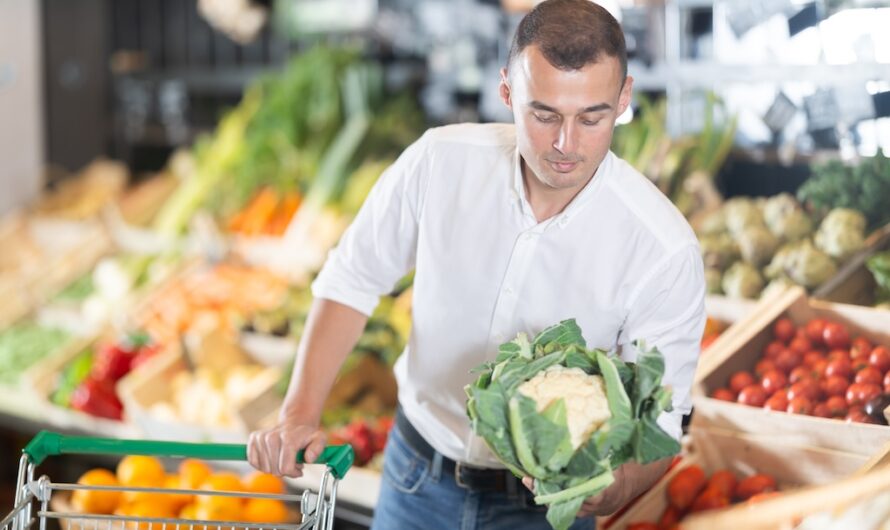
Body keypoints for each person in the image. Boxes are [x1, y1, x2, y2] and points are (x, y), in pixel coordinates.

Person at [247, 0, 706, 528]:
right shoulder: (438, 162)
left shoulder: (663, 248)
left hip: (546, 510)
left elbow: (664, 421)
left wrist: (610, 490)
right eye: (545, 114)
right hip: (416, 474)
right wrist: (298, 414)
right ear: (507, 89)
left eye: (592, 117)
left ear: (623, 99)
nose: (565, 144)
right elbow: (353, 278)